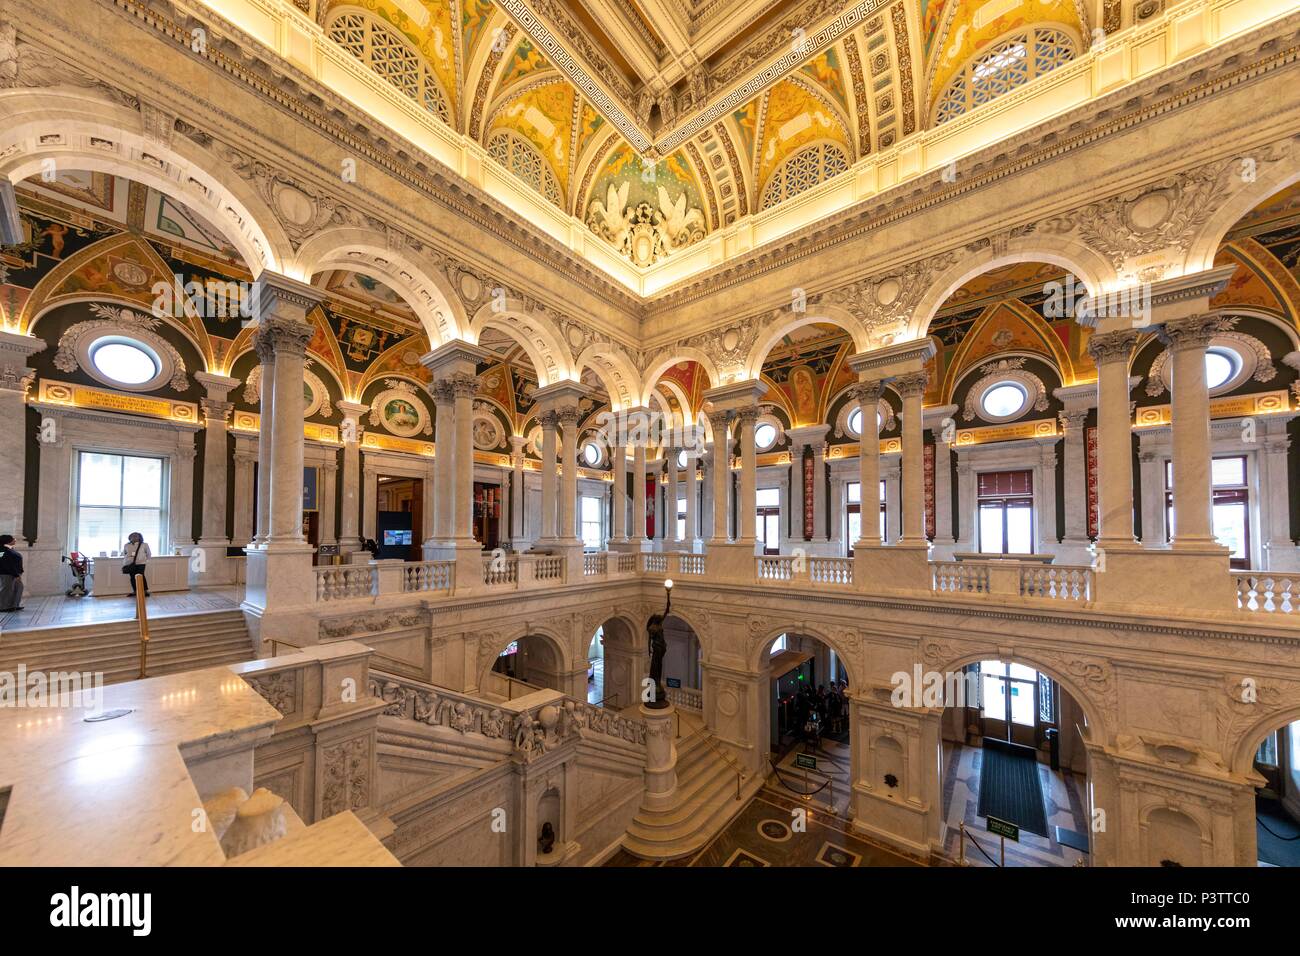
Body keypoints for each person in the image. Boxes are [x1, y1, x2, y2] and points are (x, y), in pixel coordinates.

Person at [122, 531, 151, 597]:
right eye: (132, 536)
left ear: (139, 537)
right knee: (132, 577)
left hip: (141, 563)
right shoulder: (126, 545)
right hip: (130, 564)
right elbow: (124, 553)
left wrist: (144, 560)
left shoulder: (144, 545)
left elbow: (148, 554)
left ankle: (145, 591)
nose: (134, 537)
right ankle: (135, 591)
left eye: (136, 536)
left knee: (141, 576)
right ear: (130, 537)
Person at [0, 534, 24, 611]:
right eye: (13, 538)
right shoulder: (2, 550)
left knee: (18, 588)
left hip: (15, 573)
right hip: (7, 573)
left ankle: (14, 605)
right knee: (6, 589)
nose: (15, 539)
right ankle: (3, 606)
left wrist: (19, 572)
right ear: (8, 541)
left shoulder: (10, 549)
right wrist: (15, 574)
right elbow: (5, 563)